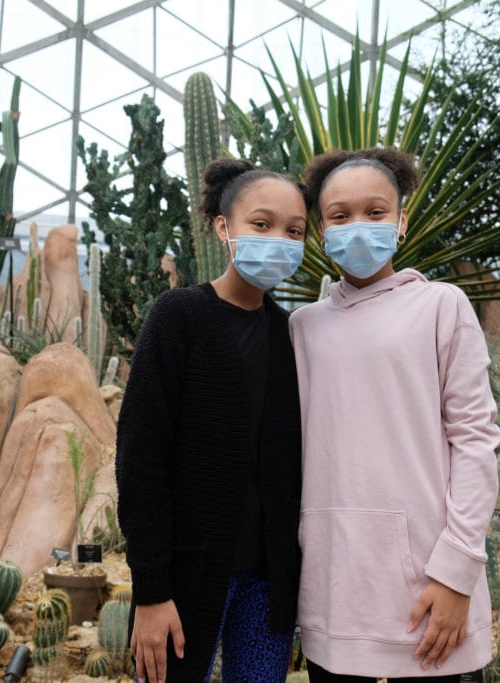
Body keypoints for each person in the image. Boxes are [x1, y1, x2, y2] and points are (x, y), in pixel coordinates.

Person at [288, 148, 500, 682]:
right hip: (334, 588)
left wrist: (458, 574)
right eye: (339, 216)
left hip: (431, 590)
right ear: (320, 229)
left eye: (375, 212)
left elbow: (474, 440)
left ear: (402, 220)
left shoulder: (442, 307)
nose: (357, 227)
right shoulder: (301, 327)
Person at [116, 158, 309, 682]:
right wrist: (152, 591)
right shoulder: (177, 317)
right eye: (262, 224)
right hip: (186, 577)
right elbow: (141, 461)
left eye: (295, 231)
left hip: (267, 584)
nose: (280, 240)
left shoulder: (291, 335)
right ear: (224, 228)